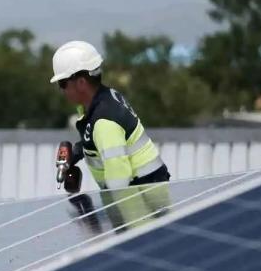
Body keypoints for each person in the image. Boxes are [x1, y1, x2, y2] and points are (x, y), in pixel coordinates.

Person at [51, 40, 171, 190]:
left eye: (62, 83)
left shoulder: (103, 120)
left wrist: (111, 211)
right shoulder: (105, 98)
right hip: (148, 188)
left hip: (143, 197)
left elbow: (119, 177)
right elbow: (102, 140)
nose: (62, 90)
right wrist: (78, 151)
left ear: (81, 82)